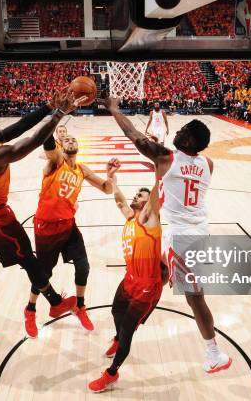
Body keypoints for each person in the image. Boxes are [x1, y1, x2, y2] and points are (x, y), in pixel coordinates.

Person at [101, 96, 231, 374]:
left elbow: (133, 135)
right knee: (157, 273)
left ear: (188, 142)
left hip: (182, 238)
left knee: (194, 297)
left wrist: (113, 108)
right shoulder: (208, 164)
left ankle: (214, 353)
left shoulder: (166, 158)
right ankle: (133, 321)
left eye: (183, 132)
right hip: (193, 230)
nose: (178, 133)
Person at [0, 89, 86, 348]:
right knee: (29, 258)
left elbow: (20, 126)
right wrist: (60, 114)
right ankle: (54, 303)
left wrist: (47, 107)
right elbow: (29, 142)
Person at [24, 132, 117, 337]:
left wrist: (110, 175)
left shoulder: (82, 169)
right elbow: (49, 146)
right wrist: (54, 119)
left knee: (83, 266)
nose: (71, 141)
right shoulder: (56, 162)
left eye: (74, 139)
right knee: (44, 274)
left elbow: (107, 189)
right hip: (46, 226)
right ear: (60, 145)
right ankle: (30, 310)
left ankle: (80, 307)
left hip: (68, 225)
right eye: (67, 140)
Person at [88, 168, 166, 392]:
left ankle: (111, 373)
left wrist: (159, 169)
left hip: (146, 287)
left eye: (140, 196)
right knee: (115, 312)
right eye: (136, 194)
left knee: (127, 332)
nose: (136, 197)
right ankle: (117, 339)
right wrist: (112, 178)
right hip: (129, 279)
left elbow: (154, 197)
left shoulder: (149, 219)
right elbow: (120, 200)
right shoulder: (131, 218)